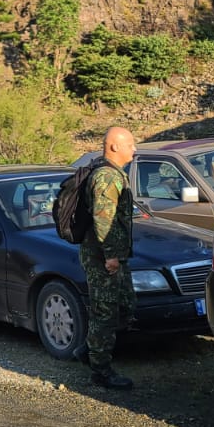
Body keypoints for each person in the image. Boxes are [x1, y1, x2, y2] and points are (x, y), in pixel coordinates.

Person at [81, 127, 137, 390]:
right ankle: (100, 371)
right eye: (130, 145)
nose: (134, 150)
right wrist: (111, 256)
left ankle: (90, 350)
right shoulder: (106, 176)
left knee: (124, 307)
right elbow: (103, 220)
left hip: (114, 257)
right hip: (103, 258)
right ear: (114, 146)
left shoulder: (116, 174)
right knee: (104, 313)